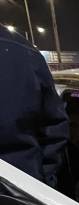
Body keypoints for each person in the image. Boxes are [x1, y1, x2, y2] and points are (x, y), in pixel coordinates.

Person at [0, 28, 68, 187]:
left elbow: (55, 126)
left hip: (25, 187)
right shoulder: (24, 49)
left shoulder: (22, 50)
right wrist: (44, 183)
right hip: (26, 187)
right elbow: (55, 126)